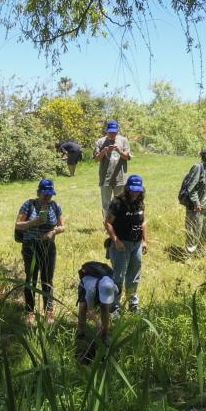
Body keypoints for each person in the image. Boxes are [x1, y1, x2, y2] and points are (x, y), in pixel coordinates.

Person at [14, 179, 66, 326]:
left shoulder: (55, 206)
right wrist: (34, 222)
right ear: (38, 193)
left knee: (47, 279)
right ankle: (30, 311)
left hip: (48, 246)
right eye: (45, 195)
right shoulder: (28, 205)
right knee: (31, 279)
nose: (47, 198)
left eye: (50, 195)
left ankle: (48, 311)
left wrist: (53, 231)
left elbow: (63, 226)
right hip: (31, 246)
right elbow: (18, 225)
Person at [104, 174, 148, 313]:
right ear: (127, 188)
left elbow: (143, 222)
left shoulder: (140, 201)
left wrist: (145, 241)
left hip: (136, 245)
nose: (135, 192)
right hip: (121, 245)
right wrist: (116, 240)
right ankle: (114, 306)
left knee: (134, 275)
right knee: (118, 276)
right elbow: (108, 223)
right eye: (133, 189)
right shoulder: (118, 203)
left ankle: (133, 304)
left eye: (138, 189)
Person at [76, 261, 119, 358]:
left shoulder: (113, 286)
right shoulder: (91, 289)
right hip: (85, 287)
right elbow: (89, 312)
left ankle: (105, 334)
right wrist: (98, 323)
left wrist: (103, 327)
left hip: (100, 287)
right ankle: (81, 333)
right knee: (83, 307)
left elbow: (113, 298)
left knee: (104, 308)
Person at [93, 120, 131, 217]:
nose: (112, 133)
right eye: (110, 131)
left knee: (120, 203)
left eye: (114, 131)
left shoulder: (123, 140)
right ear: (107, 130)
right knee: (106, 204)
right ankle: (107, 225)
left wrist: (118, 151)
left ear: (118, 130)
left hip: (120, 178)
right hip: (105, 178)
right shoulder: (100, 141)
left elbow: (127, 157)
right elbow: (96, 159)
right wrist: (104, 151)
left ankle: (119, 224)